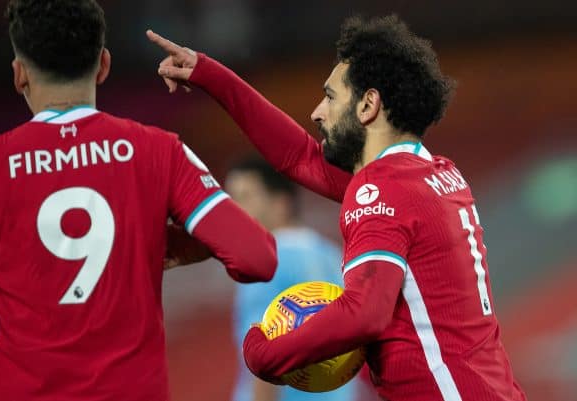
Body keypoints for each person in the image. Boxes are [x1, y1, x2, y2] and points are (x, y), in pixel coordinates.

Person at [147, 14, 527, 401]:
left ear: (368, 105)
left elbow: (365, 313)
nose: (317, 112)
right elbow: (299, 157)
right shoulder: (434, 175)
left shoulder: (382, 190)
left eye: (330, 97)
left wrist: (266, 354)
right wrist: (210, 75)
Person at [0, 1, 278, 400]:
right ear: (103, 65)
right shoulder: (157, 151)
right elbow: (257, 255)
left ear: (19, 75)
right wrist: (187, 246)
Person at [226, 157, 357, 401]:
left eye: (245, 197)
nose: (233, 209)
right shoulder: (331, 255)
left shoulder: (265, 262)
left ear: (280, 203)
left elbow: (262, 360)